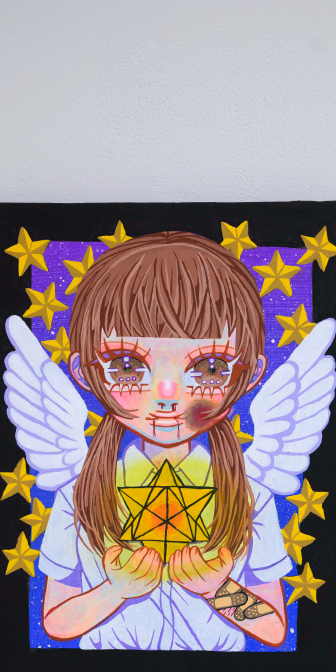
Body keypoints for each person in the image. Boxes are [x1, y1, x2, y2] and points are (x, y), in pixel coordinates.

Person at [37, 231, 292, 650]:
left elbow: (274, 628)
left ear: (250, 375)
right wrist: (115, 591)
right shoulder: (79, 495)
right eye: (127, 365)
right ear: (84, 373)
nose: (167, 395)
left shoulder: (248, 495)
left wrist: (217, 590)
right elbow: (55, 621)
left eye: (210, 367)